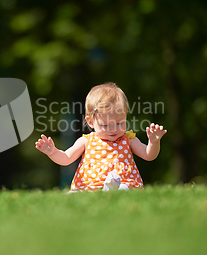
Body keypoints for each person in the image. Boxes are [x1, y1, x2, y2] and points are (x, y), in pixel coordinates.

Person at [35, 82, 167, 192]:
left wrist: (153, 142)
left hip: (124, 183)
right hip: (89, 185)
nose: (113, 129)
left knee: (123, 189)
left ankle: (111, 188)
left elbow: (149, 155)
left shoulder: (129, 139)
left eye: (119, 123)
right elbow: (66, 159)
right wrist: (52, 152)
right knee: (75, 194)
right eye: (105, 125)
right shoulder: (86, 141)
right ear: (91, 122)